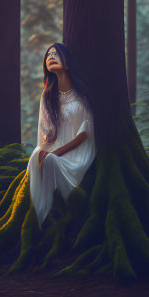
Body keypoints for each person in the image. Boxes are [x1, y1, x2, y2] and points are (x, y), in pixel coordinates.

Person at [27, 42, 96, 226]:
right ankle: (39, 213)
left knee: (49, 160)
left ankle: (51, 212)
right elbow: (45, 131)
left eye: (56, 53)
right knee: (36, 156)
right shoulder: (48, 96)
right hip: (56, 146)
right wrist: (46, 148)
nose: (51, 56)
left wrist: (56, 153)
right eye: (48, 54)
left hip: (78, 151)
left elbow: (85, 134)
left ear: (68, 63)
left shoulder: (81, 94)